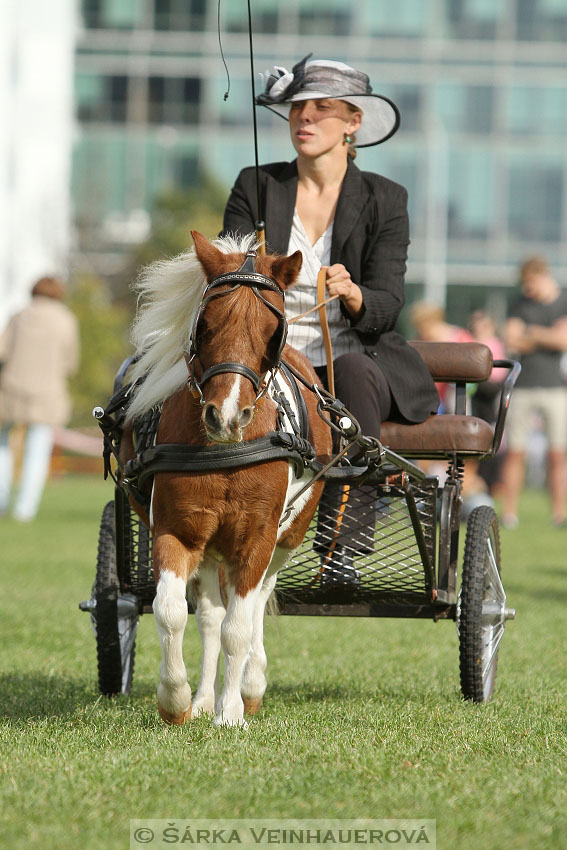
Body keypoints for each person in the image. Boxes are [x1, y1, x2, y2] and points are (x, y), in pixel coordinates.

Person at [222, 55, 439, 580]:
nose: (305, 119)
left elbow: (389, 303)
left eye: (322, 109)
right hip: (270, 355)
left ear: (353, 123)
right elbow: (230, 274)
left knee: (359, 373)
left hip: (352, 357)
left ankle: (343, 544)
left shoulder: (387, 199)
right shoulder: (255, 185)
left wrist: (355, 295)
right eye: (298, 108)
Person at [0, 276, 80, 521]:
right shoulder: (66, 320)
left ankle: (1, 501)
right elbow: (71, 363)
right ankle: (25, 509)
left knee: (3, 445)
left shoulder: (18, 316)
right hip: (48, 393)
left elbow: (2, 351)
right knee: (38, 450)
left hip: (11, 389)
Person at [500, 257, 567, 529]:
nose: (528, 289)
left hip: (554, 388)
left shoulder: (563, 301)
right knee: (515, 452)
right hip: (523, 386)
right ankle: (509, 512)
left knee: (557, 454)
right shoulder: (520, 304)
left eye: (531, 283)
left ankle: (559, 514)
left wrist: (532, 332)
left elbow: (563, 340)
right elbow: (511, 339)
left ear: (543, 275)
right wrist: (548, 335)